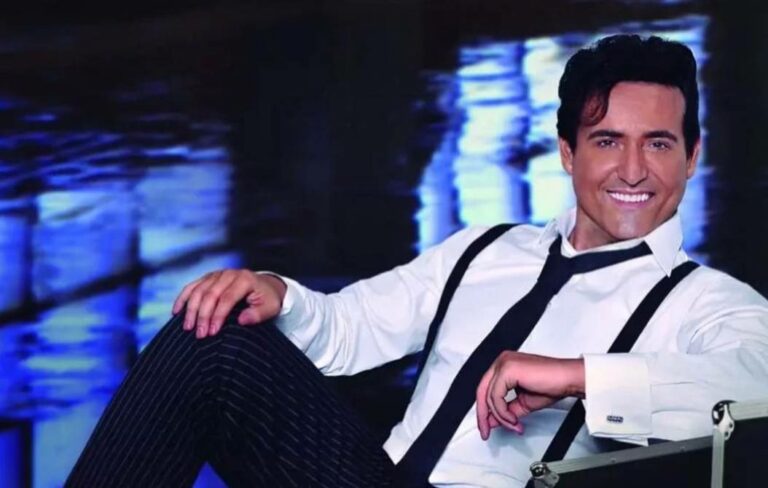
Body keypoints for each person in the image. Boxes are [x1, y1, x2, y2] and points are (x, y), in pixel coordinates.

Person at [66, 35, 768, 487]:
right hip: (379, 478)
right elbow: (351, 327)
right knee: (213, 336)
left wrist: (579, 376)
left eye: (659, 144)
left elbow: (754, 388)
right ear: (567, 152)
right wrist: (276, 292)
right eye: (608, 141)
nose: (634, 170)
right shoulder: (486, 249)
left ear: (692, 157)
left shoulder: (708, 302)